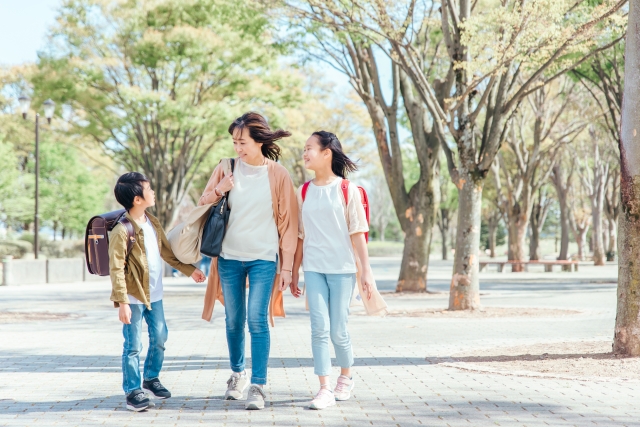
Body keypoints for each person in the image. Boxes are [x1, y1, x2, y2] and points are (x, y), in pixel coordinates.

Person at [198, 112, 298, 410]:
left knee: (257, 320)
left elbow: (288, 224)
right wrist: (220, 189)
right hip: (228, 257)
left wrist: (289, 267)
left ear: (259, 141)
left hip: (263, 259)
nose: (237, 148)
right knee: (232, 321)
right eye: (234, 142)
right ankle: (237, 374)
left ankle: (258, 385)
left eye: (242, 142)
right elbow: (202, 204)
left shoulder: (277, 174)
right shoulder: (226, 168)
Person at [290, 131, 374, 410]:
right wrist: (292, 272)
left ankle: (346, 377)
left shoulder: (347, 189)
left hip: (342, 269)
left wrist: (366, 272)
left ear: (327, 153)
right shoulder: (303, 191)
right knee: (319, 328)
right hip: (313, 268)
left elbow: (357, 233)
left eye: (309, 148)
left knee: (338, 330)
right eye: (304, 149)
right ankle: (324, 388)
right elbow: (300, 235)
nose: (305, 153)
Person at [109, 172, 207, 412]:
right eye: (148, 188)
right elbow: (116, 268)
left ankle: (150, 378)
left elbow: (166, 252)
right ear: (136, 199)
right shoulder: (122, 230)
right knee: (133, 345)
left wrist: (189, 270)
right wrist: (121, 301)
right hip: (133, 297)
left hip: (156, 295)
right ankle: (133, 391)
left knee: (160, 337)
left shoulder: (152, 222)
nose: (152, 192)